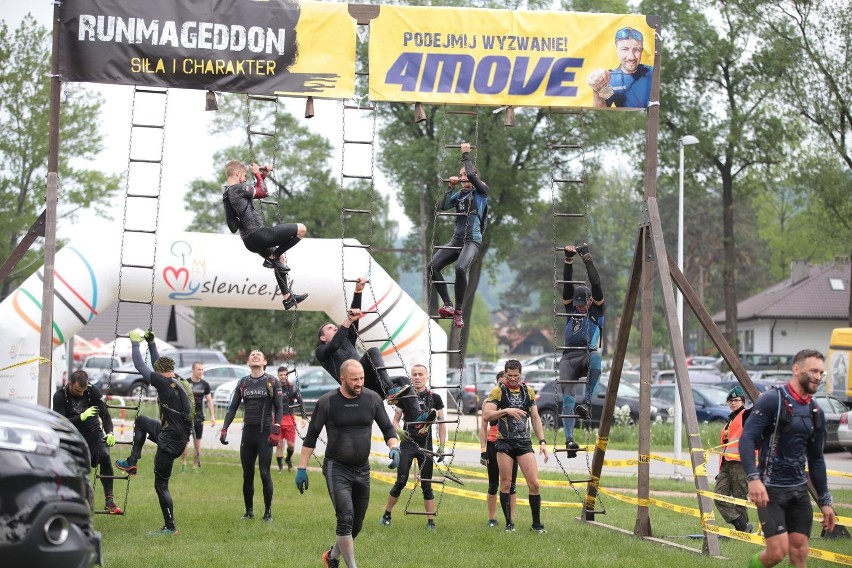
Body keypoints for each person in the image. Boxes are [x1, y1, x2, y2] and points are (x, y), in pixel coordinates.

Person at [295, 359, 401, 568]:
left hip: (362, 469)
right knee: (345, 517)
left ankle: (332, 557)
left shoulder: (372, 399)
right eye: (355, 379)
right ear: (342, 379)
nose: (360, 383)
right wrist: (301, 468)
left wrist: (394, 447)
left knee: (357, 524)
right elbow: (311, 437)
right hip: (337, 468)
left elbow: (388, 428)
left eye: (362, 378)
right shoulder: (327, 402)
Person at [739, 349, 837, 568]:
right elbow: (747, 438)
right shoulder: (773, 400)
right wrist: (753, 479)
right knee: (777, 552)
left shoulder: (815, 411)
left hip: (799, 492)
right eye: (813, 371)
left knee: (800, 553)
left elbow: (816, 459)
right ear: (796, 369)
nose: (818, 377)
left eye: (821, 372)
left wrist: (825, 500)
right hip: (769, 491)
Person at [316, 276, 436, 430]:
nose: (334, 328)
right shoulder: (321, 352)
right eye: (329, 328)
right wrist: (346, 321)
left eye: (334, 327)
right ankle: (389, 389)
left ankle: (417, 418)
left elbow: (354, 319)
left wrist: (358, 292)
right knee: (372, 351)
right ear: (322, 337)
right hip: (354, 384)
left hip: (370, 384)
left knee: (403, 379)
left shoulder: (347, 340)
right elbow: (335, 344)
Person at [115, 329, 194, 536]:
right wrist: (150, 344)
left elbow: (140, 366)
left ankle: (170, 526)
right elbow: (158, 364)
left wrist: (134, 344)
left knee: (161, 484)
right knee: (141, 420)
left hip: (170, 443)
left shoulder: (162, 382)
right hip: (175, 435)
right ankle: (132, 461)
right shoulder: (176, 380)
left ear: (159, 373)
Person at [223, 159, 308, 310]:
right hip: (258, 234)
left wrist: (263, 175)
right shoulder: (237, 189)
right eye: (243, 175)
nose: (245, 179)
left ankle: (287, 298)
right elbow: (264, 192)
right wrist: (256, 172)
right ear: (237, 173)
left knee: (280, 259)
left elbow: (257, 188)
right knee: (301, 229)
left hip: (249, 241)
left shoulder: (228, 192)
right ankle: (273, 258)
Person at [482, 359, 549, 534]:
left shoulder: (528, 391)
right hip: (504, 442)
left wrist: (542, 442)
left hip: (524, 442)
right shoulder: (498, 391)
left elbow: (535, 418)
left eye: (516, 376)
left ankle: (537, 525)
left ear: (521, 374)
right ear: (505, 374)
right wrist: (506, 411)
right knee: (505, 483)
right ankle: (509, 523)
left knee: (534, 483)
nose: (513, 379)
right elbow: (487, 415)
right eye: (510, 376)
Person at [427, 141, 489, 329]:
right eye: (460, 175)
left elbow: (471, 173)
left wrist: (466, 154)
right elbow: (444, 206)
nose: (463, 178)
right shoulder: (461, 194)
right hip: (456, 240)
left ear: (474, 177)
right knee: (432, 267)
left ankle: (459, 311)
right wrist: (450, 188)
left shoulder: (481, 191)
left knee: (460, 268)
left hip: (472, 241)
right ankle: (448, 304)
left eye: (465, 175)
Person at [380, 363, 447, 529]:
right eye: (414, 375)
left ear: (426, 377)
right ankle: (387, 514)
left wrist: (442, 445)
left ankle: (431, 522)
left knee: (426, 484)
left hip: (426, 445)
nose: (417, 377)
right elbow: (395, 421)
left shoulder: (435, 398)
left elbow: (442, 423)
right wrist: (399, 432)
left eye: (420, 374)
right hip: (408, 444)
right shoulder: (405, 396)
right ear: (411, 377)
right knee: (401, 481)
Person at [219, 350, 284, 522]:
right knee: (247, 474)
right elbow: (232, 407)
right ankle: (249, 512)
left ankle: (268, 513)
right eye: (252, 355)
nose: (255, 356)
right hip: (248, 433)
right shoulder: (243, 382)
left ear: (264, 362)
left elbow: (279, 407)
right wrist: (225, 427)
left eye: (259, 355)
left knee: (264, 473)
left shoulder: (272, 381)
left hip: (265, 433)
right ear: (248, 362)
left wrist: (276, 428)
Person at [52, 369, 123, 515]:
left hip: (93, 431)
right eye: (78, 390)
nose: (82, 394)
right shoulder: (59, 396)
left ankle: (109, 501)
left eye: (84, 390)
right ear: (70, 384)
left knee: (105, 456)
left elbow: (106, 417)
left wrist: (110, 433)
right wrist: (81, 417)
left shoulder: (92, 391)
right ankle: (70, 501)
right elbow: (60, 423)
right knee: (72, 466)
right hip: (71, 433)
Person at [558, 243, 605, 457]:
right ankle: (569, 440)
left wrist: (587, 259)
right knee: (567, 396)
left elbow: (595, 283)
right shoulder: (572, 308)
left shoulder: (596, 309)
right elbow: (567, 286)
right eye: (576, 304)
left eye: (582, 304)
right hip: (569, 357)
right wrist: (568, 261)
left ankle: (586, 403)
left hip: (587, 354)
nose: (578, 307)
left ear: (589, 301)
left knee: (597, 359)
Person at [480, 370, 518, 527]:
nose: (503, 386)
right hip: (493, 444)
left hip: (511, 443)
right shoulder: (489, 401)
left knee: (511, 484)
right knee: (493, 484)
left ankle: (511, 519)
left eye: (505, 383)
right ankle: (492, 518)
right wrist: (483, 450)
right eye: (500, 383)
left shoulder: (515, 400)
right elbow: (483, 427)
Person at [713, 385, 753, 533]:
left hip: (740, 463)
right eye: (730, 401)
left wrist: (761, 398)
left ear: (742, 401)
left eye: (736, 400)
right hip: (726, 464)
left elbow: (759, 411)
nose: (733, 403)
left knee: (739, 498)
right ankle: (742, 526)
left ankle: (742, 531)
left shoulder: (746, 414)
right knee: (718, 496)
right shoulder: (729, 420)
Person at [587, 27, 653, 109]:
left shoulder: (652, 73)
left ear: (642, 51)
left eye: (636, 50)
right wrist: (597, 90)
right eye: (625, 49)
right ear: (617, 50)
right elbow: (601, 110)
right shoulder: (610, 79)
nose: (631, 57)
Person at [180, 361, 216, 472]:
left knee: (197, 444)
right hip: (186, 417)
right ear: (193, 370)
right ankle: (184, 464)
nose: (201, 372)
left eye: (202, 370)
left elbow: (209, 400)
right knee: (184, 442)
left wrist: (212, 416)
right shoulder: (185, 383)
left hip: (199, 417)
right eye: (198, 369)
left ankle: (195, 465)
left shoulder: (205, 384)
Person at [275, 365, 308, 473]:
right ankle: (280, 468)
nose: (283, 377)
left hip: (289, 418)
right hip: (277, 418)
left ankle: (288, 459)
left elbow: (301, 402)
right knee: (279, 443)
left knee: (291, 444)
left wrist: (304, 417)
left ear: (287, 375)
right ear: (278, 376)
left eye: (285, 374)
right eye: (281, 375)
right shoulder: (274, 387)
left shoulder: (292, 387)